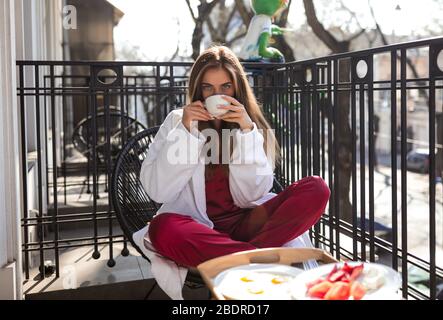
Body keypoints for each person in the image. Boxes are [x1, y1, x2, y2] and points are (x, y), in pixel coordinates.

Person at [140, 45, 330, 268]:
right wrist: (186, 131)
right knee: (161, 229)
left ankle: (239, 259)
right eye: (208, 87)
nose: (218, 95)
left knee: (317, 188)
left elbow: (256, 191)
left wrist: (247, 132)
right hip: (198, 228)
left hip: (249, 223)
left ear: (237, 87)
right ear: (198, 89)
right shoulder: (177, 121)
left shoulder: (250, 123)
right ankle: (257, 259)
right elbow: (158, 191)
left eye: (226, 86)